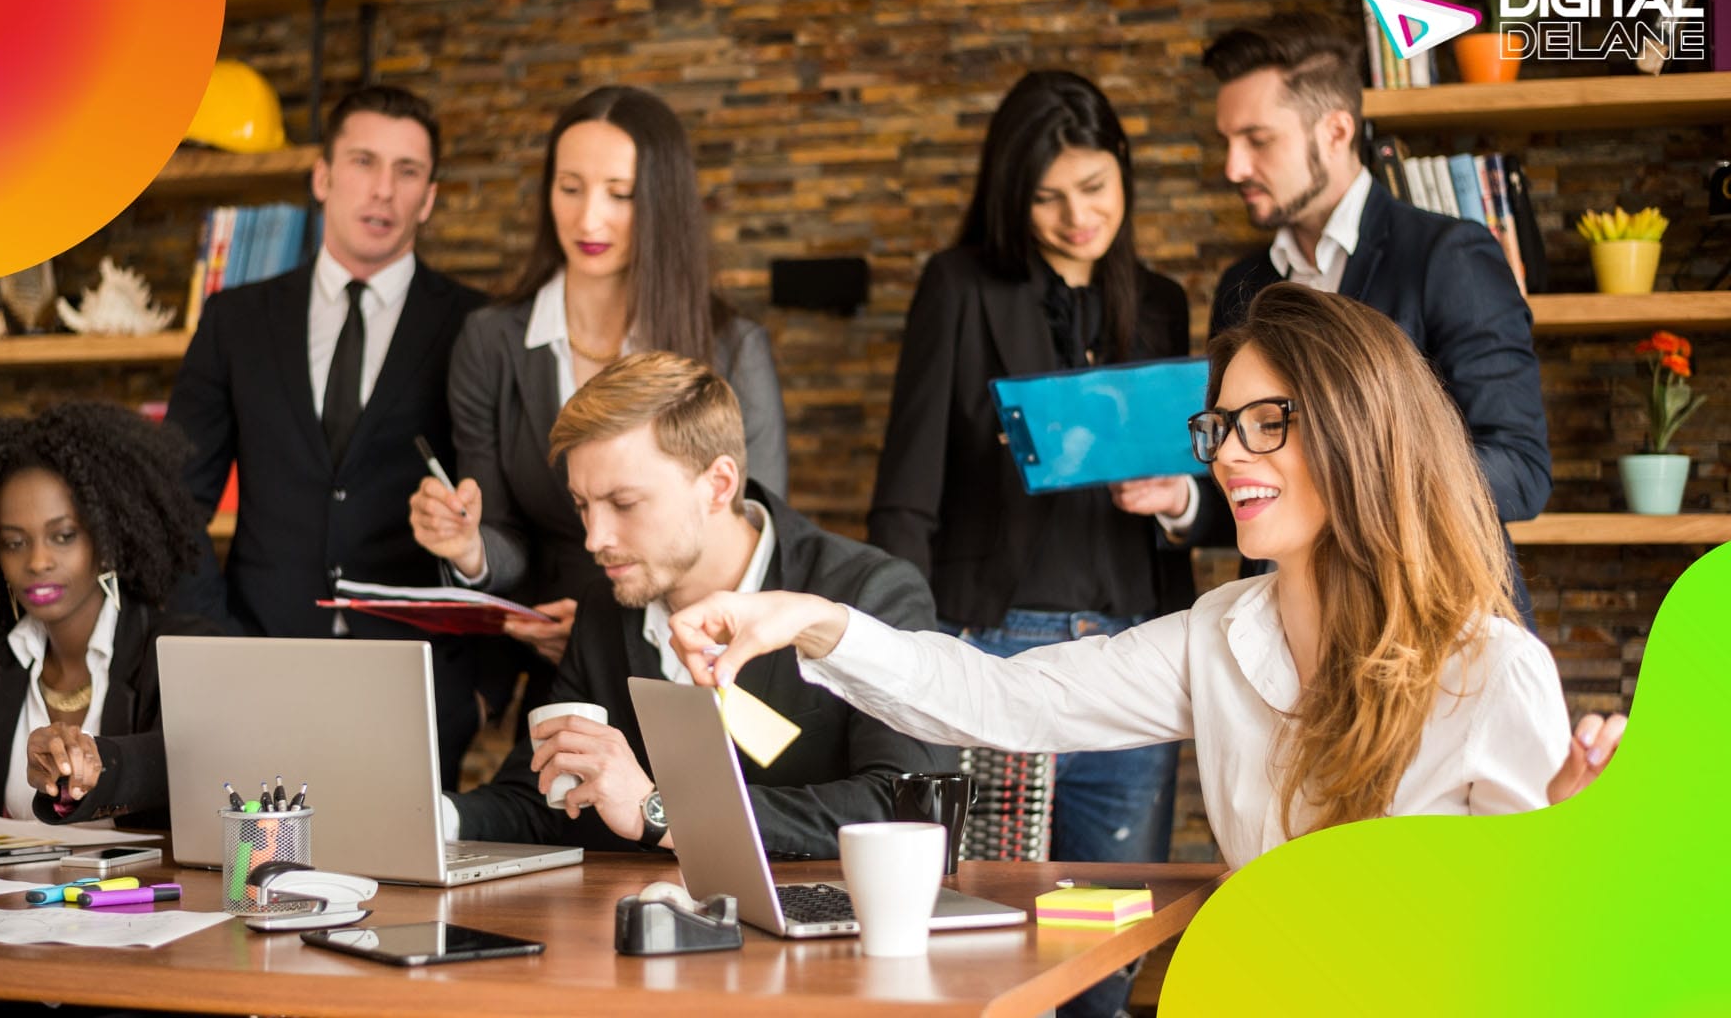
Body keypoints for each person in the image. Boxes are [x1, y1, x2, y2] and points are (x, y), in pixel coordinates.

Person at [673, 283, 1625, 873]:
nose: (1230, 457)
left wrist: (1571, 837)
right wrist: (810, 620)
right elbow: (1005, 700)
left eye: (1269, 423)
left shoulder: (1488, 667)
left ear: (1362, 434)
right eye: (1221, 428)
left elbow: (1526, 922)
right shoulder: (1219, 634)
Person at [865, 70, 1190, 999]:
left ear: (1124, 174)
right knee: (993, 948)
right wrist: (905, 659)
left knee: (1110, 948)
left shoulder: (1161, 301)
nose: (1077, 216)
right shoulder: (960, 287)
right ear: (1011, 195)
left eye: (1095, 189)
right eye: (1047, 198)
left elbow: (1210, 494)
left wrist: (1176, 500)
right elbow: (906, 491)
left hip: (1136, 660)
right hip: (995, 653)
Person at [1115, 13, 1551, 624]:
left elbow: (1522, 472)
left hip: (1430, 626)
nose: (1234, 167)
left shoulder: (1448, 257)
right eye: (1227, 142)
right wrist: (1186, 497)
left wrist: (1339, 468)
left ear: (1336, 130)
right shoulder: (1242, 286)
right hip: (1280, 643)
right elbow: (1265, 481)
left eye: (1258, 140)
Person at [443, 351, 949, 857]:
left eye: (624, 504)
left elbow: (903, 808)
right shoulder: (607, 599)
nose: (595, 539)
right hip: (624, 926)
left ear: (718, 485)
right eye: (582, 505)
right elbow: (542, 801)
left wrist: (656, 810)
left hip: (815, 925)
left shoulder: (869, 593)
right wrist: (436, 815)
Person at [410, 85, 787, 711]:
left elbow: (751, 535)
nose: (588, 220)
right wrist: (467, 547)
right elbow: (503, 534)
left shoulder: (731, 348)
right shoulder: (491, 342)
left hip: (696, 666)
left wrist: (610, 630)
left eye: (620, 195)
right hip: (555, 670)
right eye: (570, 188)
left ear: (663, 204)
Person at [165, 85, 489, 777]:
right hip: (258, 659)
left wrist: (479, 688)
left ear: (428, 197)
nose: (383, 190)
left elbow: (503, 512)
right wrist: (218, 644)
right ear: (323, 176)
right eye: (364, 162)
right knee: (249, 877)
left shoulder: (478, 327)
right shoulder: (236, 322)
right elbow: (174, 502)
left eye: (407, 171)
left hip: (418, 679)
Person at [0, 403, 217, 828]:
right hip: (0, 896)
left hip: (131, 895)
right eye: (14, 542)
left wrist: (87, 761)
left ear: (106, 539)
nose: (37, 561)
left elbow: (182, 764)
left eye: (62, 536)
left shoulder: (174, 651)